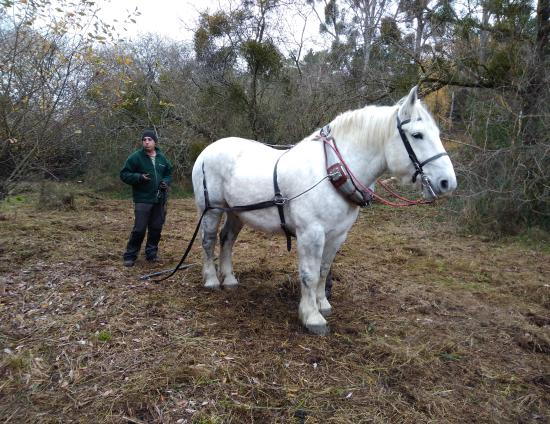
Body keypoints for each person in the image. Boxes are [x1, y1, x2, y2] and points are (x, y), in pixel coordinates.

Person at [120, 129, 173, 267]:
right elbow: (124, 174)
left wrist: (165, 182)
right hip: (143, 199)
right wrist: (138, 177)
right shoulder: (135, 157)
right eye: (144, 140)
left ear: (155, 142)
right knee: (139, 228)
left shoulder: (162, 158)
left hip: (159, 199)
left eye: (149, 140)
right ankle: (130, 256)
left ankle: (151, 254)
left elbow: (168, 173)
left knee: (156, 228)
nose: (146, 142)